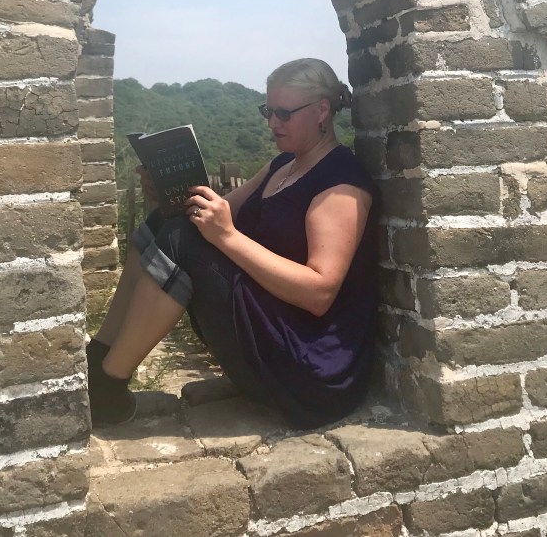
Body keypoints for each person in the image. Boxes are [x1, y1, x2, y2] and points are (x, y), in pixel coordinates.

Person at [86, 58, 378, 430]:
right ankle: (98, 360)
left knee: (179, 239)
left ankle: (107, 391)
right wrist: (170, 195)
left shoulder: (341, 184)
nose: (273, 123)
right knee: (168, 222)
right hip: (272, 326)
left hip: (309, 369)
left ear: (322, 110)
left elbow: (320, 292)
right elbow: (217, 211)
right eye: (268, 111)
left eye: (284, 114)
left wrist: (226, 235)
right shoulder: (283, 165)